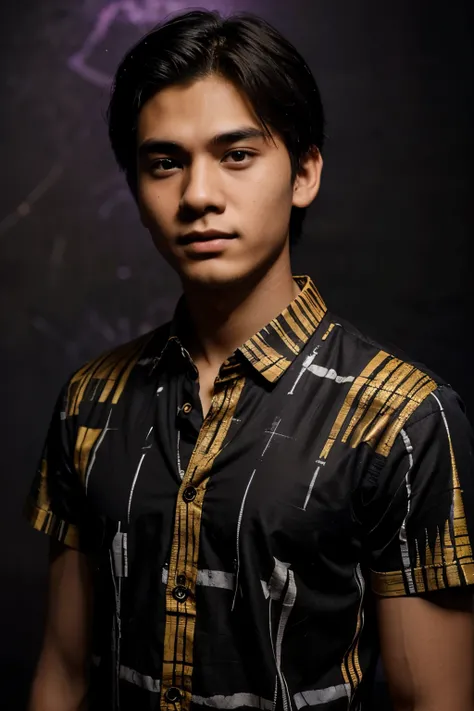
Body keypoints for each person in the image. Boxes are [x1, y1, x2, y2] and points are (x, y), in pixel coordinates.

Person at [25, 9, 474, 711]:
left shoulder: (404, 420)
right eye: (165, 162)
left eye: (237, 154)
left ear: (304, 173)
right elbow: (61, 672)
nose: (198, 195)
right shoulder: (91, 402)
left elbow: (435, 698)